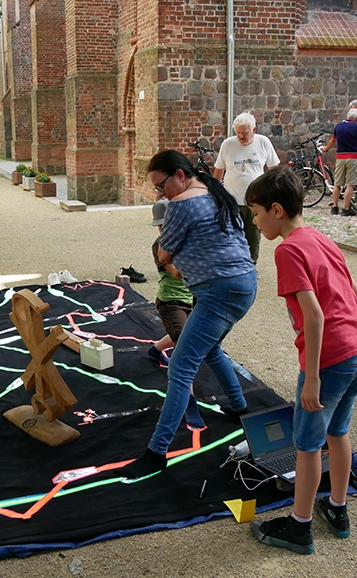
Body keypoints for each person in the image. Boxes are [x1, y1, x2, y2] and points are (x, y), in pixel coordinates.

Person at [245, 166, 357, 555]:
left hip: (330, 361)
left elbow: (315, 316)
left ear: (276, 209)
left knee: (305, 444)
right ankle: (337, 508)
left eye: (255, 212)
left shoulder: (287, 250)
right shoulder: (321, 237)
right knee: (338, 431)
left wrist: (314, 376)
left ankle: (299, 526)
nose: (254, 220)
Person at [116, 150, 257, 479]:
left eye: (161, 185)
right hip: (245, 285)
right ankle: (239, 406)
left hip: (218, 291)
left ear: (180, 174)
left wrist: (178, 257)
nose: (160, 194)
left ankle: (156, 452)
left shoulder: (181, 205)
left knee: (180, 367)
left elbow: (164, 252)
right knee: (211, 347)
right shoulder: (215, 192)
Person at [147, 199, 205, 429]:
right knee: (185, 347)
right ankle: (189, 400)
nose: (163, 230)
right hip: (170, 302)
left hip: (190, 299)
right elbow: (180, 273)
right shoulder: (159, 245)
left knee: (185, 335)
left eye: (168, 224)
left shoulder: (188, 240)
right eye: (160, 225)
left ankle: (155, 349)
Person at [214, 112, 280, 264]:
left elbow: (273, 169)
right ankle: (234, 262)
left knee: (253, 233)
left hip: (256, 199)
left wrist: (274, 192)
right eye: (238, 133)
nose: (241, 137)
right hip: (232, 198)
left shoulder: (263, 142)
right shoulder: (228, 144)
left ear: (254, 130)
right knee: (232, 232)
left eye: (245, 133)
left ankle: (251, 263)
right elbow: (219, 169)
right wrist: (214, 193)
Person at [321, 108, 357, 216]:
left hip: (340, 157)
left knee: (337, 183)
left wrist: (326, 148)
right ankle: (345, 208)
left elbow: (332, 140)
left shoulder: (338, 126)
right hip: (353, 158)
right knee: (350, 184)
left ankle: (335, 207)